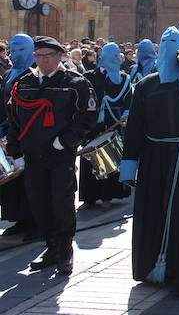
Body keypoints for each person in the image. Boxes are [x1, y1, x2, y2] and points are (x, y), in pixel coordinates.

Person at [119, 27, 179, 295]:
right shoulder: (147, 85)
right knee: (154, 211)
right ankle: (151, 265)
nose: (171, 49)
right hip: (155, 156)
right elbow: (134, 127)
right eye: (166, 43)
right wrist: (128, 167)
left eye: (176, 44)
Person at [5, 36, 98, 276]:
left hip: (59, 156)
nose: (43, 60)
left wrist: (64, 141)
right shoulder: (24, 83)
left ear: (60, 56)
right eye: (39, 56)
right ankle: (51, 246)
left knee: (62, 202)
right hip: (32, 156)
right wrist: (15, 152)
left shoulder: (74, 83)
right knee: (38, 202)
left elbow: (87, 117)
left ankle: (65, 249)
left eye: (48, 55)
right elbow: (14, 120)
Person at [80, 43, 132, 210]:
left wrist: (126, 112)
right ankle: (89, 198)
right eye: (112, 55)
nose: (116, 59)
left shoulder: (124, 79)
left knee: (109, 162)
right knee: (89, 162)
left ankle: (107, 196)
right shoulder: (90, 76)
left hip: (113, 124)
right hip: (92, 125)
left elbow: (128, 100)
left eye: (118, 55)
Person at [0, 34, 37, 240]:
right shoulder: (8, 74)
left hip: (29, 134)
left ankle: (35, 221)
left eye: (20, 49)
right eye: (13, 49)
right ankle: (19, 218)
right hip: (9, 134)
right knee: (13, 181)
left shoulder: (35, 74)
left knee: (31, 181)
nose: (15, 53)